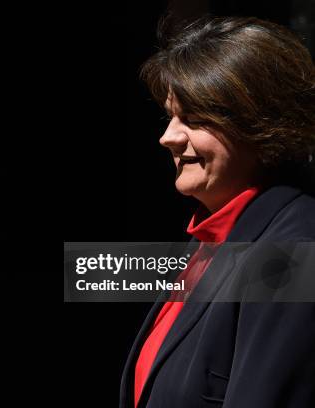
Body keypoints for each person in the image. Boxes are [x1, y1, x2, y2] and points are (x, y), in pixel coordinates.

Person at [120, 15, 315, 407]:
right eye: (171, 116)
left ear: (260, 124)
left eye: (193, 119)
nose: (168, 137)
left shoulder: (293, 251)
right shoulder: (216, 238)